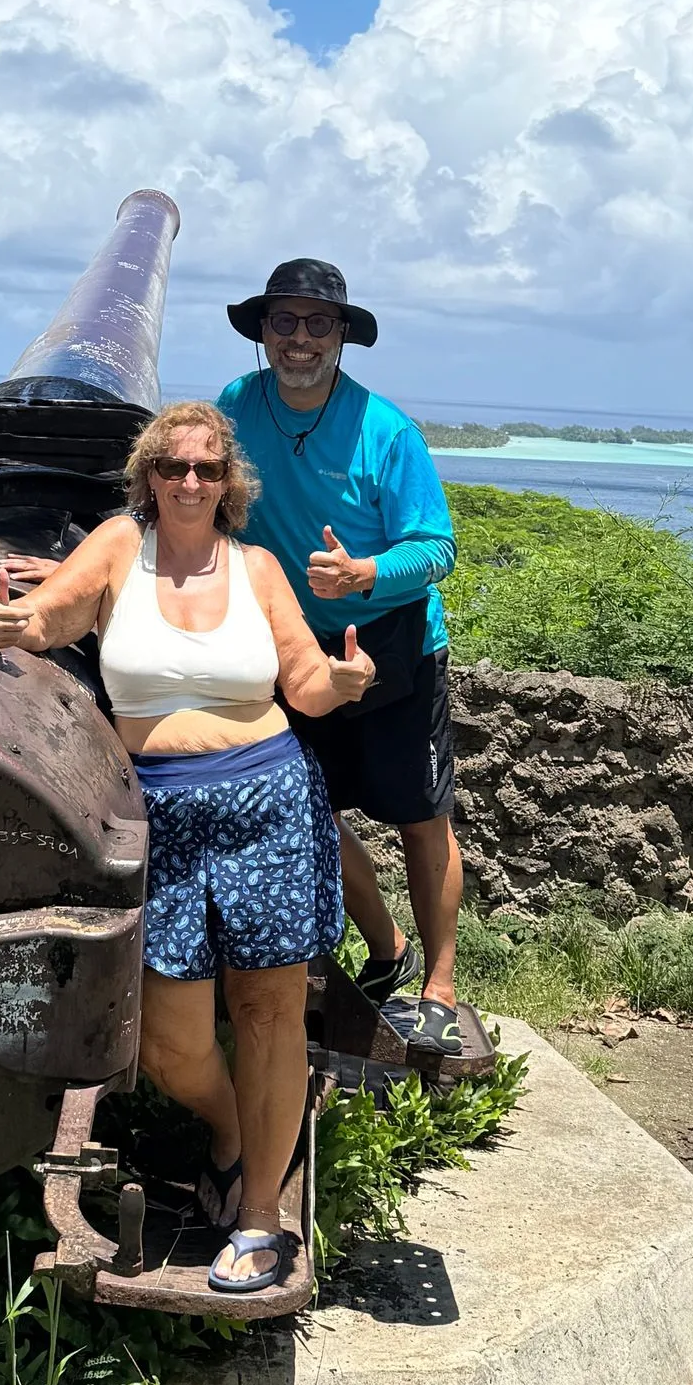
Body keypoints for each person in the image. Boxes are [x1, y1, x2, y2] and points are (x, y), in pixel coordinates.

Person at [0, 399, 373, 1297]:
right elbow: (54, 614)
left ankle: (261, 1216)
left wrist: (341, 680)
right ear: (148, 476)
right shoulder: (121, 546)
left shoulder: (259, 567)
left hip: (267, 800)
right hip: (160, 811)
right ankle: (233, 1132)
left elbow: (303, 681)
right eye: (173, 467)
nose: (189, 482)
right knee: (171, 1042)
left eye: (206, 468)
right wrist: (13, 627)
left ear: (230, 482)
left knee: (271, 1013)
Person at [218, 260, 465, 1055]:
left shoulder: (385, 432)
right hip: (290, 642)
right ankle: (387, 947)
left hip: (391, 641)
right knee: (305, 807)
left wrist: (368, 571)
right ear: (263, 331)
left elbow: (437, 547)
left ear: (342, 337)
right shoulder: (233, 408)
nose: (299, 339)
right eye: (284, 322)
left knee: (420, 817)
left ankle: (440, 984)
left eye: (317, 324)